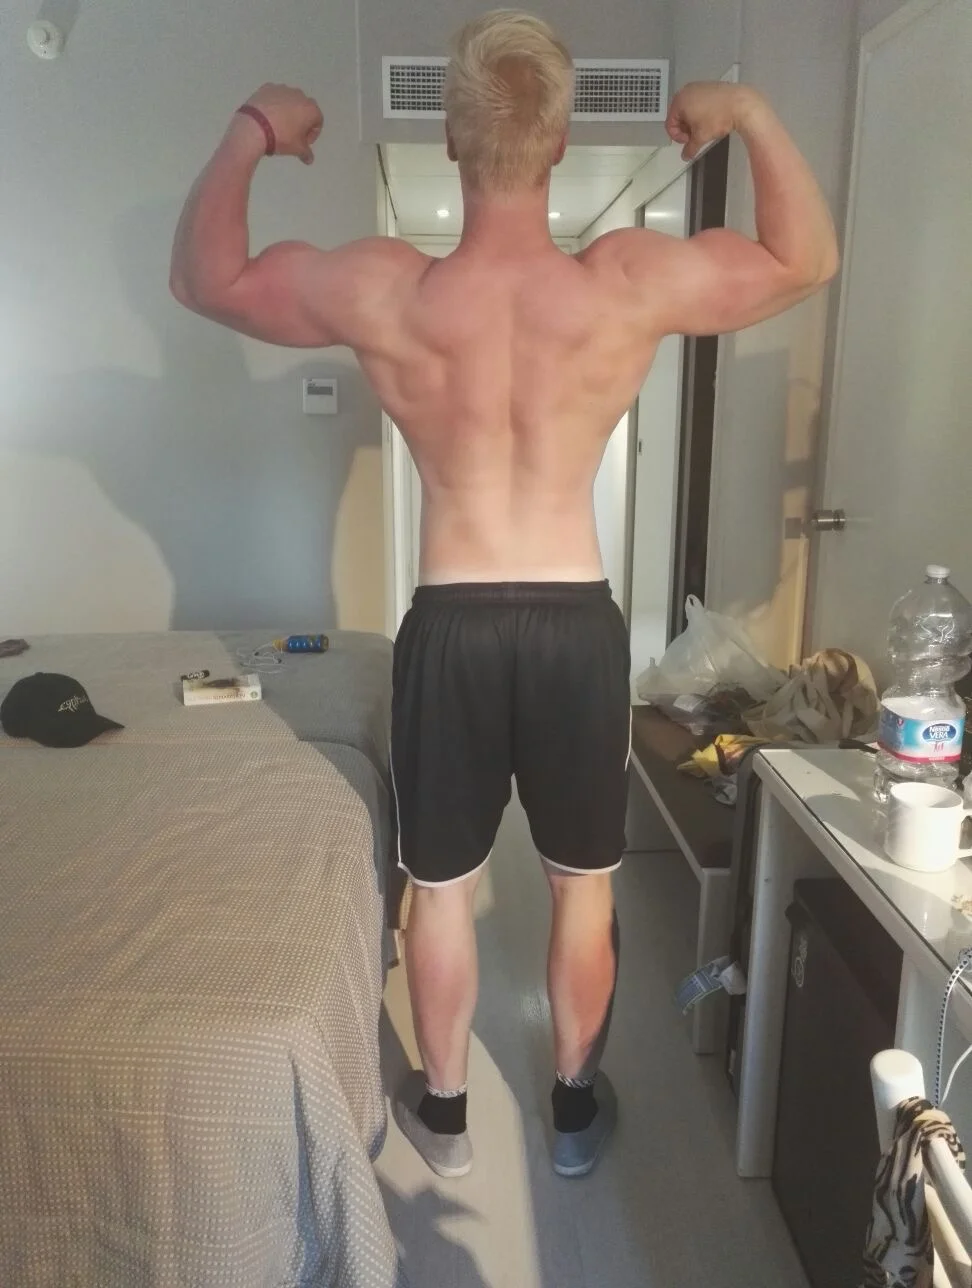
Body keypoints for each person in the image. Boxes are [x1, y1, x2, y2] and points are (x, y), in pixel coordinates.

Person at [171, 9, 838, 1181]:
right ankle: (572, 1113)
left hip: (454, 623)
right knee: (583, 886)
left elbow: (204, 276)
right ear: (560, 138)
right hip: (575, 626)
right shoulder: (623, 279)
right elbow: (805, 259)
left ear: (450, 138)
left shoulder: (388, 289)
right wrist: (747, 111)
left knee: (440, 890)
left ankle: (445, 1119)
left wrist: (253, 129)